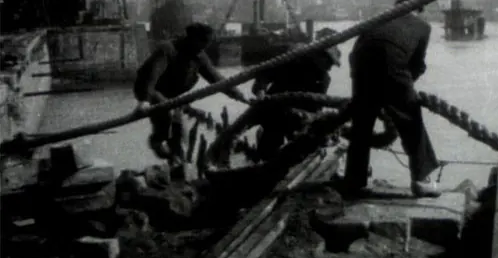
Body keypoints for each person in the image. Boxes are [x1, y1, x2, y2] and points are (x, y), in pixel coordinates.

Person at [344, 0, 441, 197]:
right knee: (411, 121)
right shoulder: (423, 27)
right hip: (392, 66)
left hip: (360, 65)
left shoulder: (377, 18)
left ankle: (354, 180)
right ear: (418, 8)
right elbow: (417, 65)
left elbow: (357, 50)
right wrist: (403, 93)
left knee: (362, 124)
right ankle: (421, 180)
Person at [133, 22, 248, 165]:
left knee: (178, 126)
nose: (205, 46)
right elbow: (152, 75)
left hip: (169, 94)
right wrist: (144, 101)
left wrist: (238, 95)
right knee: (167, 113)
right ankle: (157, 140)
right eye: (203, 42)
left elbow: (217, 79)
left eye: (208, 42)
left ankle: (176, 160)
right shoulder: (168, 49)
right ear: (192, 39)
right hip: (148, 88)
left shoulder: (199, 56)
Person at [252, 28, 342, 160]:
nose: (329, 67)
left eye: (331, 64)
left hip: (298, 117)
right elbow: (264, 74)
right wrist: (261, 91)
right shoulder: (293, 59)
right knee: (270, 145)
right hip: (274, 110)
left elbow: (315, 109)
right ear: (318, 55)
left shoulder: (323, 80)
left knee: (299, 148)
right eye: (328, 61)